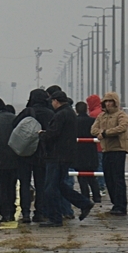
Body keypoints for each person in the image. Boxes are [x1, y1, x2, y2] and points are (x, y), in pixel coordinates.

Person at [40, 88, 93, 226]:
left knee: (50, 188)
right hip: (66, 155)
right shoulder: (70, 113)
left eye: (52, 101)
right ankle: (84, 203)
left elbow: (53, 134)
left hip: (56, 156)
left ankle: (55, 218)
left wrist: (42, 135)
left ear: (56, 101)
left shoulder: (60, 115)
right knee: (60, 185)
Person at [12, 89, 54, 223]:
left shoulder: (26, 112)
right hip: (42, 154)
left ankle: (25, 213)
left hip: (25, 153)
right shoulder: (49, 113)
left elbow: (14, 126)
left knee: (24, 183)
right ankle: (39, 213)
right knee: (41, 184)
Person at [91, 92, 128, 216]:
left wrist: (106, 133)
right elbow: (93, 129)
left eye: (110, 101)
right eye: (106, 101)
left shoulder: (121, 115)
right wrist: (102, 132)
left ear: (115, 102)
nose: (108, 104)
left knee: (118, 178)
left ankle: (121, 205)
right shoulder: (101, 116)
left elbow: (123, 127)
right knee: (109, 178)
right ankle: (115, 203)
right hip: (106, 150)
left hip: (118, 149)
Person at [73, 100, 102, 206]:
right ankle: (97, 196)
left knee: (81, 176)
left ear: (76, 110)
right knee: (92, 176)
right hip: (91, 150)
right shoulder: (92, 121)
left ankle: (85, 196)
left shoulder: (74, 121)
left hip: (78, 151)